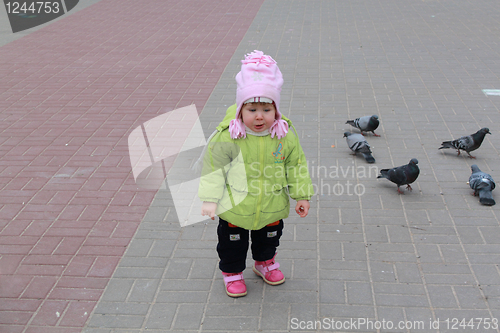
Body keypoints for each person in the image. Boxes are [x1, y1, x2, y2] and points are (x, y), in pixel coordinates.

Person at [198, 50, 314, 297]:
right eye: (252, 109)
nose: (259, 116)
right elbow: (214, 169)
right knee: (232, 244)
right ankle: (232, 273)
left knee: (268, 238)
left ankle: (264, 262)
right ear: (240, 110)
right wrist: (210, 199)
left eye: (266, 109)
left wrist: (302, 195)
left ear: (276, 111)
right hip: (235, 207)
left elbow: (296, 165)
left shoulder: (284, 134)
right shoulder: (228, 136)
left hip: (271, 203)